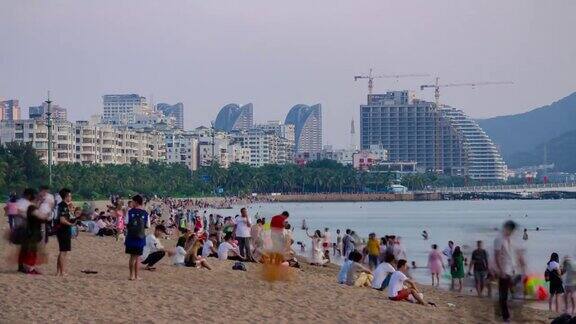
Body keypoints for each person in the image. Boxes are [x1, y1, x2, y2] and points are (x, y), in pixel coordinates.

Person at [494, 220, 526, 323]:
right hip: (504, 270)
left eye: (512, 231)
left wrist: (522, 265)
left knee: (511, 294)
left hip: (513, 270)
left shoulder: (511, 240)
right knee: (503, 295)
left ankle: (506, 312)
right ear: (506, 228)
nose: (511, 232)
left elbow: (516, 254)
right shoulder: (499, 239)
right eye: (510, 230)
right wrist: (500, 270)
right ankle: (505, 318)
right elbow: (497, 256)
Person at [125, 195, 150, 281]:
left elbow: (126, 222)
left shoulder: (130, 212)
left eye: (132, 201)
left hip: (130, 237)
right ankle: (136, 276)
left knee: (132, 257)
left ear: (136, 202)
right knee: (137, 257)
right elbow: (148, 225)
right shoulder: (145, 213)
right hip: (140, 238)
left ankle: (131, 275)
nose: (131, 203)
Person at [56, 188, 75, 277]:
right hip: (63, 230)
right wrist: (71, 224)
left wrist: (71, 210)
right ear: (66, 196)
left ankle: (58, 272)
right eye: (70, 196)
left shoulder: (63, 205)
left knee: (62, 251)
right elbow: (62, 220)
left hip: (61, 230)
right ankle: (62, 272)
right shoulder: (63, 206)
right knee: (63, 252)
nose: (71, 197)